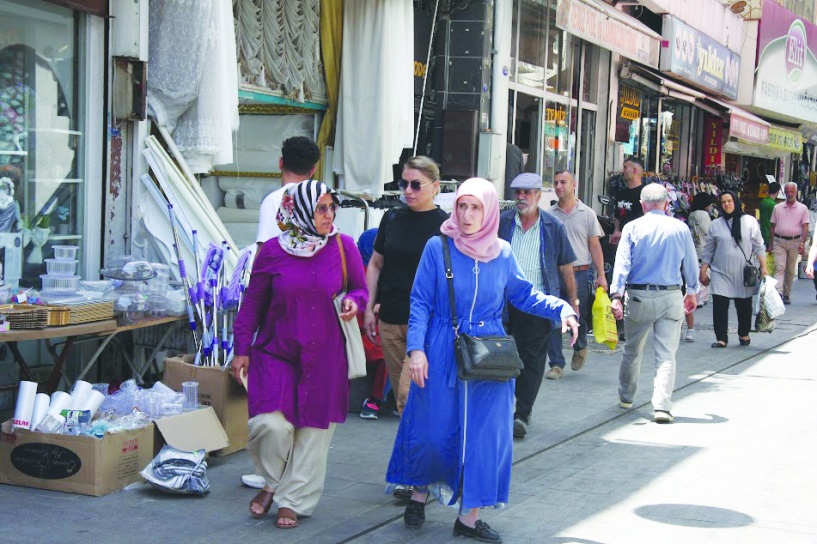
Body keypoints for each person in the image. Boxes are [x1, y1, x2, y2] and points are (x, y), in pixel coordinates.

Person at [386, 178, 578, 543]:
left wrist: (562, 308)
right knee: (431, 427)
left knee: (485, 436)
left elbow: (525, 294)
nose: (468, 215)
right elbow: (421, 302)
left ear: (489, 210)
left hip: (488, 354)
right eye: (462, 206)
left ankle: (469, 518)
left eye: (476, 207)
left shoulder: (503, 252)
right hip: (440, 347)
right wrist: (416, 350)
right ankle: (419, 492)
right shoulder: (437, 246)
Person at [232, 180, 367, 529]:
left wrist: (356, 302)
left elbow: (359, 288)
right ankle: (275, 483)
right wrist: (241, 349)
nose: (329, 214)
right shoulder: (273, 251)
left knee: (312, 432)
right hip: (276, 352)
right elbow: (253, 303)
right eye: (321, 208)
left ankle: (292, 501)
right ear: (300, 210)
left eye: (331, 207)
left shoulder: (343, 246)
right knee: (268, 425)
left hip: (325, 355)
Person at [241, 135, 322, 491]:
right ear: (316, 167)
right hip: (313, 315)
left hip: (279, 313)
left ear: (279, 163)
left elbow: (262, 256)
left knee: (275, 398)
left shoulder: (277, 200)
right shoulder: (323, 198)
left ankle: (274, 475)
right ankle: (286, 474)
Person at [363, 156, 448, 417]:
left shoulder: (444, 225)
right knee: (408, 405)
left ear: (435, 187)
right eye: (403, 184)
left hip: (423, 323)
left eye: (416, 185)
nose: (408, 191)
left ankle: (420, 452)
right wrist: (368, 308)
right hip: (390, 318)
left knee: (407, 394)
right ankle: (414, 452)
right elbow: (376, 264)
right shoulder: (392, 218)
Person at [610, 184, 699, 424]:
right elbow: (691, 263)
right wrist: (692, 291)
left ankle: (626, 397)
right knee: (666, 355)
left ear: (642, 204)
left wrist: (616, 296)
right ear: (667, 204)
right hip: (670, 296)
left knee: (632, 350)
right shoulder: (680, 228)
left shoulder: (632, 227)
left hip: (638, 295)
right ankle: (662, 407)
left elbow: (622, 265)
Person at [498, 173, 576, 439]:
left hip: (539, 305)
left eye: (527, 192)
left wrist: (571, 302)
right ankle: (500, 410)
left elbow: (565, 266)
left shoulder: (552, 227)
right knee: (501, 358)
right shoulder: (502, 223)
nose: (521, 197)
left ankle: (522, 413)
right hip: (504, 306)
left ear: (538, 196)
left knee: (532, 362)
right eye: (517, 192)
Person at [548, 170, 607, 371]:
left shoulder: (587, 213)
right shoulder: (548, 215)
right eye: (555, 183)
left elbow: (595, 246)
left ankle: (580, 346)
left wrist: (601, 275)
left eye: (563, 182)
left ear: (574, 185)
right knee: (553, 317)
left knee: (576, 314)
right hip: (554, 274)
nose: (558, 186)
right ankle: (556, 363)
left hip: (579, 273)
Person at [700, 191, 768, 348]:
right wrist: (703, 270)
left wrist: (764, 267)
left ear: (736, 202)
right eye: (723, 202)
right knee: (719, 305)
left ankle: (744, 334)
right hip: (720, 272)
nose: (726, 205)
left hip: (742, 272)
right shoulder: (715, 224)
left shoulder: (749, 222)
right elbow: (709, 250)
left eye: (729, 201)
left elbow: (759, 247)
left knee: (743, 305)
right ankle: (721, 338)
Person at [255, 136, 321, 245]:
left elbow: (264, 250)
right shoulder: (323, 204)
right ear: (312, 171)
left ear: (281, 162)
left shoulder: (274, 201)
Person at [356, 228, 388, 420]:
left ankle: (376, 400)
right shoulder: (357, 270)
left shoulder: (384, 270)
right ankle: (374, 401)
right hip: (359, 330)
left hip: (376, 329)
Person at [769, 182, 810, 304]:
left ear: (796, 192)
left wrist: (802, 243)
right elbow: (772, 227)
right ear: (784, 192)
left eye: (792, 191)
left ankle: (786, 293)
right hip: (779, 241)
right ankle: (778, 294)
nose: (789, 194)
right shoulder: (777, 208)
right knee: (779, 267)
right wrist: (770, 244)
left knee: (790, 270)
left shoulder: (802, 208)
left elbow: (805, 227)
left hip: (795, 241)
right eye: (787, 191)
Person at [684, 192, 715, 340]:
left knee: (695, 271)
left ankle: (697, 297)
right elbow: (710, 232)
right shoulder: (704, 215)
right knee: (703, 273)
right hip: (704, 247)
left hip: (694, 248)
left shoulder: (692, 214)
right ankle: (701, 298)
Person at [609, 157, 647, 245]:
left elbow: (645, 221)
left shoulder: (645, 194)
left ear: (634, 171)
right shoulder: (621, 193)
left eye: (625, 167)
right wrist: (616, 231)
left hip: (638, 242)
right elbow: (617, 217)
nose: (623, 171)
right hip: (622, 242)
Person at [758, 181, 781, 248]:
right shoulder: (773, 205)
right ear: (777, 192)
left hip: (762, 233)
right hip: (770, 235)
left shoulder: (763, 201)